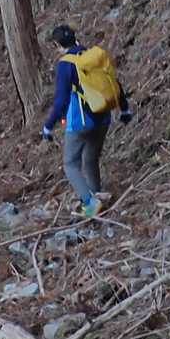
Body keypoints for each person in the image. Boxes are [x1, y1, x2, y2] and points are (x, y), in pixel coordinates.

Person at [40, 24, 131, 215]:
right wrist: (124, 109)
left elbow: (61, 101)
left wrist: (48, 127)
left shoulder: (66, 64)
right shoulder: (92, 56)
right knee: (90, 159)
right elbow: (114, 83)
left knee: (70, 164)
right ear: (75, 38)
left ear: (57, 45)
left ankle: (90, 202)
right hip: (103, 117)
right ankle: (97, 198)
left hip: (80, 122)